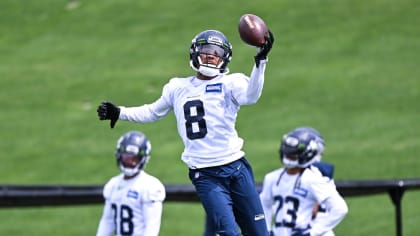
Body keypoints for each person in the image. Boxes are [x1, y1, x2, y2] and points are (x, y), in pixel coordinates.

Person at [97, 29, 274, 236]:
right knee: (228, 233)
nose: (211, 55)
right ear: (194, 53)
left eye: (217, 53)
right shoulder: (177, 87)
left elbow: (251, 96)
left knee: (259, 233)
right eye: (206, 50)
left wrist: (261, 61)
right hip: (206, 173)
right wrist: (120, 112)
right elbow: (153, 112)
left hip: (236, 167)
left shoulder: (230, 83)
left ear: (224, 59)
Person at [259, 127, 348, 236]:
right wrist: (266, 231)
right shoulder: (271, 178)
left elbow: (339, 209)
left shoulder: (314, 178)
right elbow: (263, 206)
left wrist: (311, 233)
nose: (290, 154)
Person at [96, 131, 165, 236]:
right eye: (126, 157)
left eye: (134, 159)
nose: (130, 162)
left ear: (143, 159)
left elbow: (151, 227)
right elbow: (107, 222)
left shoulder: (150, 186)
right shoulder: (112, 184)